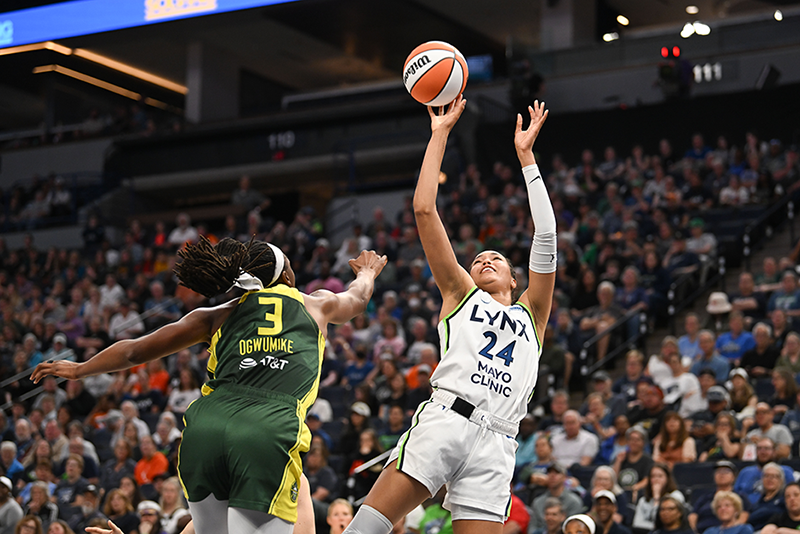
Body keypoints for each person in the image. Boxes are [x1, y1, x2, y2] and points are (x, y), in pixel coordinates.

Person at [33, 238, 386, 534]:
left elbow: (136, 350)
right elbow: (358, 298)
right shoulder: (316, 303)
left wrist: (81, 369)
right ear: (288, 276)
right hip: (267, 427)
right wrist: (368, 272)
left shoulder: (218, 314)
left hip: (206, 427)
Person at [341, 99, 556, 534]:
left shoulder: (533, 313)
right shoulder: (460, 294)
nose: (485, 260)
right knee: (364, 530)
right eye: (478, 258)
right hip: (446, 421)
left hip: (499, 440)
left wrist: (527, 159)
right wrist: (439, 133)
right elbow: (424, 210)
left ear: (515, 280)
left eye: (496, 257)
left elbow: (547, 234)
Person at [688, 461, 751, 532]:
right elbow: (693, 516)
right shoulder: (705, 498)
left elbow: (743, 516)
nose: (722, 474)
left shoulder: (740, 497)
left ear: (734, 477)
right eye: (718, 471)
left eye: (726, 471)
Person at [631, 463, 684, 534]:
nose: (656, 479)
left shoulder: (675, 496)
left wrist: (657, 499)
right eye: (653, 476)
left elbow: (663, 520)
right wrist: (654, 527)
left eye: (660, 476)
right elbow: (637, 523)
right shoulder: (643, 500)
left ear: (667, 478)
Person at [747, 463, 787, 531]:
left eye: (774, 476)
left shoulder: (784, 499)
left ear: (781, 480)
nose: (770, 479)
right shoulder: (756, 502)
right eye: (766, 476)